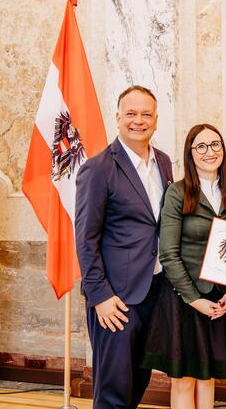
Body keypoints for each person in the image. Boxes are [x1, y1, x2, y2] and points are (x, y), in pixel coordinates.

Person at [75, 85, 174, 409]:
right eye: (131, 113)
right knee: (113, 392)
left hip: (154, 293)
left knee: (137, 385)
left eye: (146, 114)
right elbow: (86, 239)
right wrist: (100, 296)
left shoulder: (163, 162)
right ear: (118, 118)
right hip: (115, 300)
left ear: (156, 120)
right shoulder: (98, 168)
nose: (139, 121)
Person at [141, 123, 226, 409]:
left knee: (209, 376)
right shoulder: (178, 193)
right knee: (185, 379)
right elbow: (168, 254)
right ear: (191, 154)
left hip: (220, 299)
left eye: (215, 144)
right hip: (184, 298)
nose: (209, 152)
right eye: (201, 146)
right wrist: (194, 299)